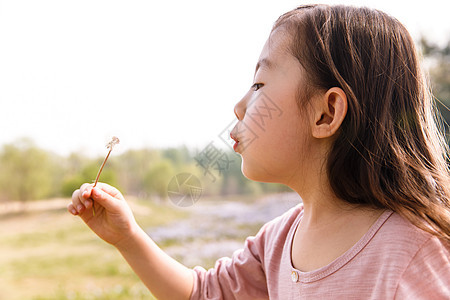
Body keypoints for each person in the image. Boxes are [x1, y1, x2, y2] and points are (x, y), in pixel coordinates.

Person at [68, 4, 450, 299]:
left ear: (326, 112)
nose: (240, 106)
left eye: (259, 83)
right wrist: (128, 237)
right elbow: (204, 293)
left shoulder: (414, 250)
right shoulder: (279, 239)